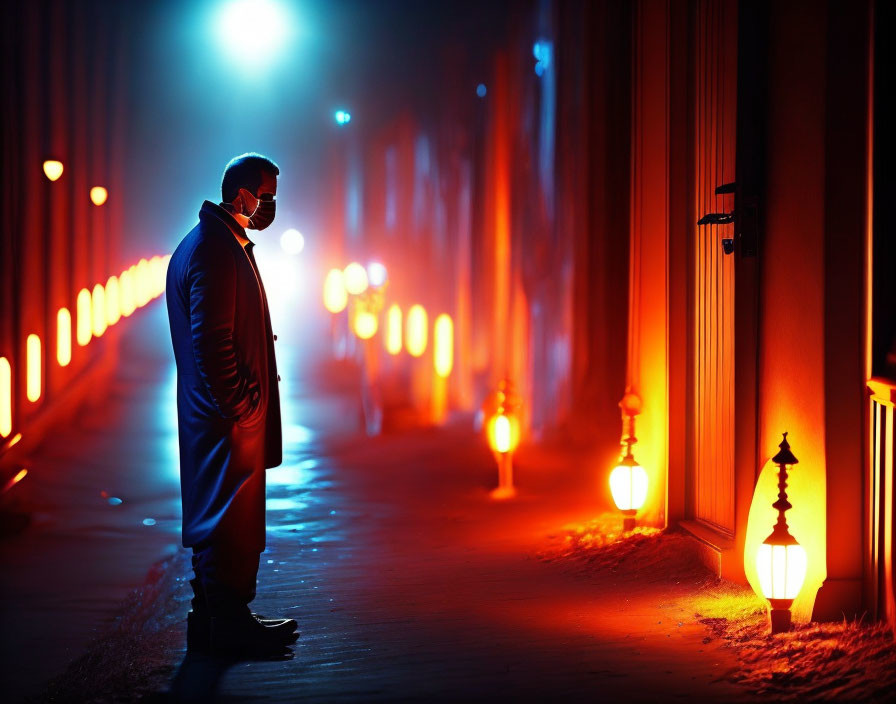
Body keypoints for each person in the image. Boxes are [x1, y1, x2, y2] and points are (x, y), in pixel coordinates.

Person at [165, 153, 298, 655]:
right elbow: (213, 340)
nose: (270, 205)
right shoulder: (215, 251)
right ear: (241, 194)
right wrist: (242, 403)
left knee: (226, 517)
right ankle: (228, 624)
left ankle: (219, 619)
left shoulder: (218, 244)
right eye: (265, 195)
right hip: (224, 421)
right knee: (226, 519)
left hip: (222, 418)